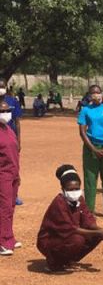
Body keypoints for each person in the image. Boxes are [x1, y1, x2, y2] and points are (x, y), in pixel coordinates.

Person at [37, 165, 103, 270]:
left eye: (77, 189)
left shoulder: (79, 199)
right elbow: (71, 229)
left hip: (68, 236)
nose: (74, 192)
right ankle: (54, 263)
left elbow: (88, 221)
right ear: (63, 189)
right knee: (78, 240)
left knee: (94, 236)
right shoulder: (59, 203)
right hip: (51, 240)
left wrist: (101, 231)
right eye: (70, 189)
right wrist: (98, 232)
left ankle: (68, 260)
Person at [77, 85, 103, 219]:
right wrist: (93, 149)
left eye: (98, 92)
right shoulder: (85, 110)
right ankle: (90, 210)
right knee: (90, 179)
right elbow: (82, 131)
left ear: (102, 94)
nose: (96, 95)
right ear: (89, 96)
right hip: (91, 147)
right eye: (93, 93)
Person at [0, 100, 20, 256]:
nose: (5, 114)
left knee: (11, 207)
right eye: (1, 111)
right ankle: (2, 241)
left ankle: (9, 237)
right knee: (4, 208)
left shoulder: (8, 129)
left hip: (13, 174)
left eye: (7, 111)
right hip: (3, 175)